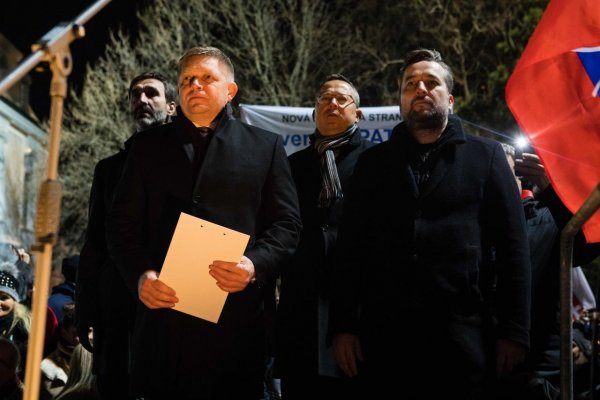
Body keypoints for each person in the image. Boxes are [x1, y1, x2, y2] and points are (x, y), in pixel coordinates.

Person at [328, 48, 531, 399]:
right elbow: (350, 249)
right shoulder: (373, 163)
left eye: (431, 82)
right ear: (401, 102)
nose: (419, 88)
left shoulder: (486, 157)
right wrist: (342, 326)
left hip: (464, 339)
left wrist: (514, 332)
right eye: (410, 84)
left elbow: (514, 249)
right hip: (384, 340)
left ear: (449, 99)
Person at [106, 46, 301, 398]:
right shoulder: (146, 147)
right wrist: (140, 275)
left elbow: (287, 224)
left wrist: (254, 265)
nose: (194, 85)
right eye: (186, 80)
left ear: (230, 90)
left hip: (237, 325)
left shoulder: (265, 147)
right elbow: (121, 225)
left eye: (206, 78)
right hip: (164, 325)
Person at [76, 71, 177, 398]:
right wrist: (85, 307)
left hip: (172, 303)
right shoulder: (109, 170)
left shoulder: (191, 163)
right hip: (117, 306)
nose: (141, 99)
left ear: (172, 106)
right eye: (135, 94)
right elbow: (95, 242)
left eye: (151, 93)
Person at [276, 74, 372, 399]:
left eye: (341, 99)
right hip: (301, 304)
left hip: (359, 303)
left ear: (358, 114)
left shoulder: (377, 162)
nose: (332, 103)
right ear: (314, 112)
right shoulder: (291, 166)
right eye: (324, 98)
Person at [501, 145, 600, 399]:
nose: (498, 179)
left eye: (506, 170)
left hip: (539, 360)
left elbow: (585, 242)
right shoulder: (473, 219)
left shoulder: (543, 215)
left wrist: (550, 190)